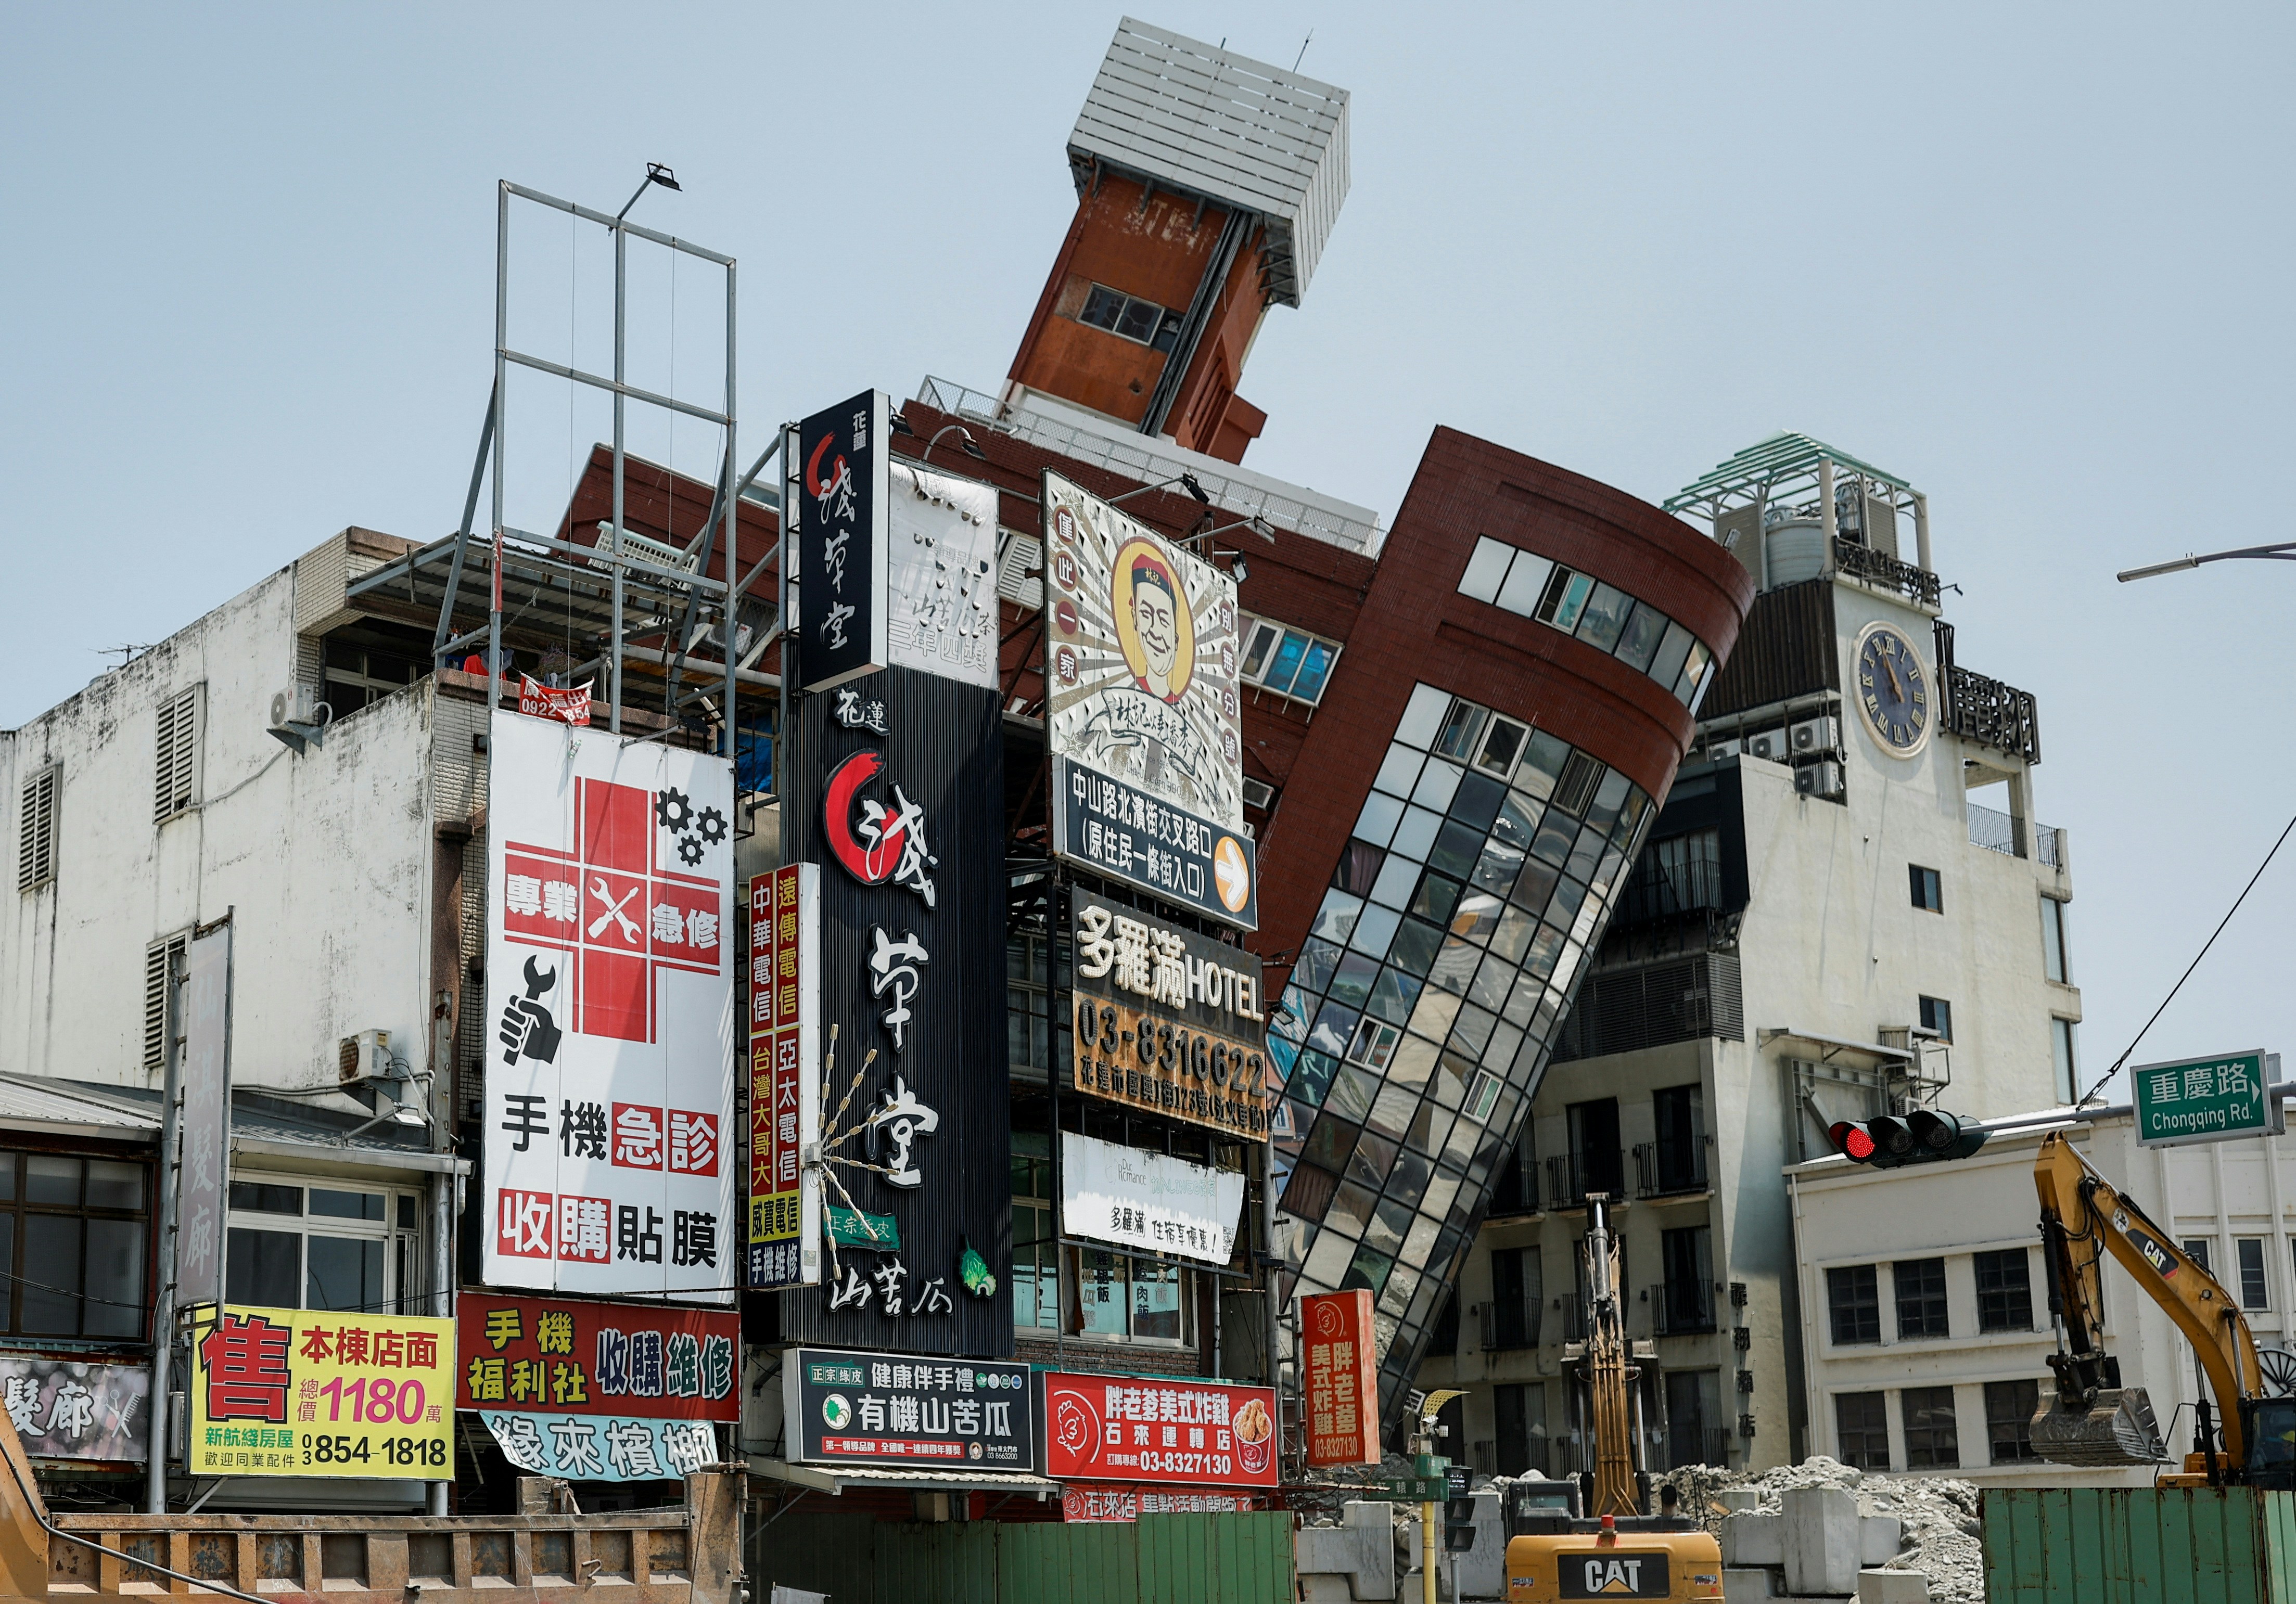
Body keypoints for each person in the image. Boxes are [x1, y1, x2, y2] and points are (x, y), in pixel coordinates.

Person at [1130, 558, 1182, 701]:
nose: (1155, 632)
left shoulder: (1185, 711)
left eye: (1164, 620)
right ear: (1135, 620)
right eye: (1146, 614)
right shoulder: (1127, 691)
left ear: (1176, 639)